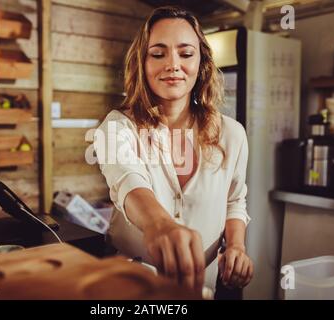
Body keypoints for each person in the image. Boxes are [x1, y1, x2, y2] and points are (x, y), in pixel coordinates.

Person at [92, 6, 253, 295]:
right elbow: (129, 182)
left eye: (186, 53)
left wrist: (237, 247)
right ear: (142, 62)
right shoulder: (117, 128)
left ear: (201, 62)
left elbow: (234, 201)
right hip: (130, 285)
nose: (173, 64)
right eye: (158, 53)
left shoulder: (233, 134)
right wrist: (160, 225)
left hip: (202, 287)